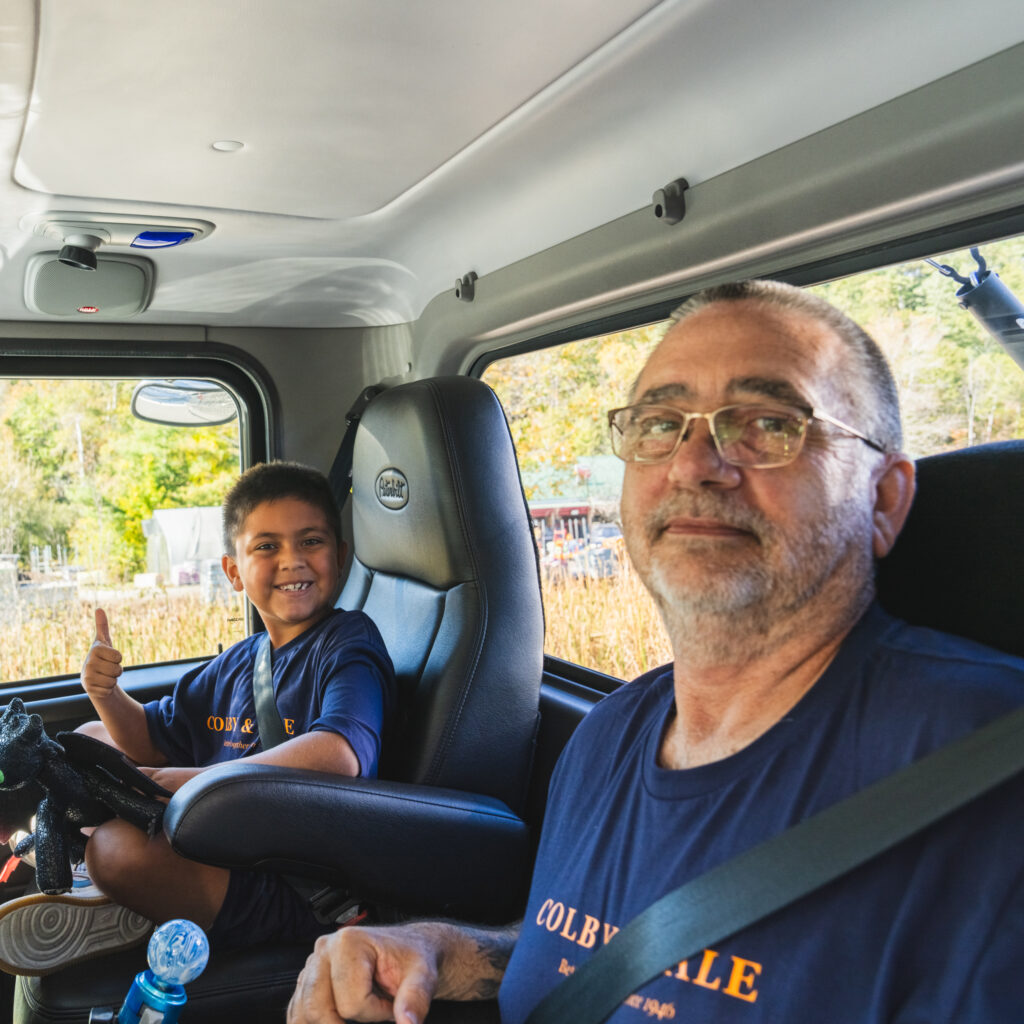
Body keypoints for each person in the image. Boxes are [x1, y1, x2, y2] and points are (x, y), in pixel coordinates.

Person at [286, 281, 1024, 1024]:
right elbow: (597, 954)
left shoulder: (987, 785)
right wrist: (435, 949)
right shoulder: (612, 734)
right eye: (660, 423)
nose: (696, 462)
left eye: (769, 422)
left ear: (886, 500)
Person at [0, 461, 397, 975]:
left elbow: (339, 758)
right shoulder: (241, 662)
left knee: (116, 848)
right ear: (234, 571)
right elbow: (148, 739)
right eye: (267, 546)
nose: (292, 561)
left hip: (289, 877)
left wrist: (175, 784)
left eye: (311, 542)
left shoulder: (348, 645)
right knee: (91, 737)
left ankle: (126, 899)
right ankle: (102, 878)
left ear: (340, 557)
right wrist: (105, 693)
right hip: (219, 838)